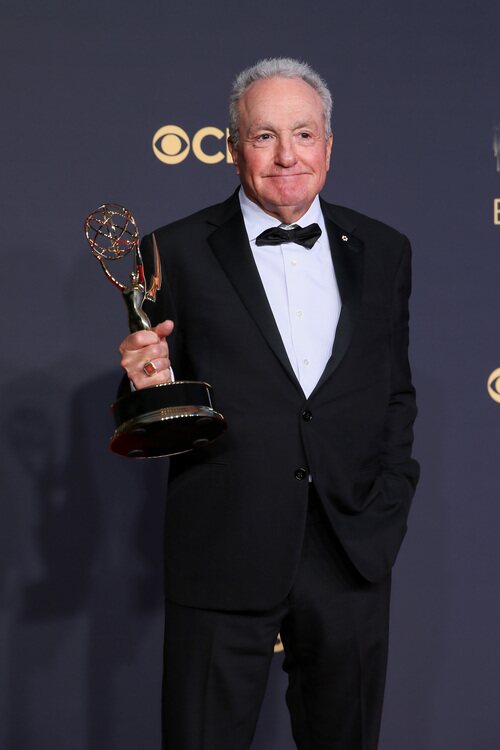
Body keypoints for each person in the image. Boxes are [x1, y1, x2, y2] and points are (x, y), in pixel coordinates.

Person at [118, 58, 419, 750]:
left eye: (304, 134)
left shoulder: (385, 250)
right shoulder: (170, 251)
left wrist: (388, 500)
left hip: (349, 551)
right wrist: (143, 385)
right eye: (264, 136)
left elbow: (395, 393)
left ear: (328, 146)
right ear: (233, 148)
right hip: (224, 547)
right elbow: (150, 412)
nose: (288, 156)